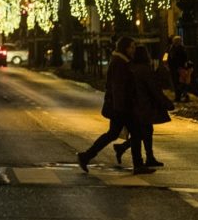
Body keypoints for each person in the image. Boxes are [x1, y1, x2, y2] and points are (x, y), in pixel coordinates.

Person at [77, 36, 154, 175]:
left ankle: (86, 156)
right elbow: (118, 87)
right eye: (132, 47)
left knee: (113, 134)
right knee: (136, 133)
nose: (133, 50)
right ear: (125, 48)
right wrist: (121, 108)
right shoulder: (120, 63)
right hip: (122, 107)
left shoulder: (122, 62)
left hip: (121, 106)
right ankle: (138, 164)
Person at [113, 45, 174, 168]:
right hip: (144, 105)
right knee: (143, 132)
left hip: (134, 105)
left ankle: (145, 156)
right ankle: (141, 157)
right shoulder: (145, 70)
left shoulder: (131, 68)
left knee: (143, 131)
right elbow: (154, 89)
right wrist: (166, 102)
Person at [167, 36, 190, 102]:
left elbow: (183, 58)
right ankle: (180, 95)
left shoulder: (174, 48)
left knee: (178, 83)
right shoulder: (174, 48)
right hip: (176, 68)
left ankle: (179, 96)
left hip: (177, 68)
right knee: (178, 82)